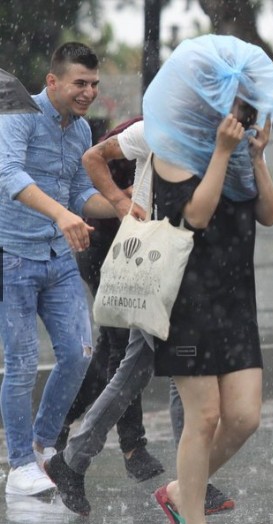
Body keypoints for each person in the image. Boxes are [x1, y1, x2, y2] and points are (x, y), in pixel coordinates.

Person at [142, 34, 273, 524]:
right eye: (237, 103)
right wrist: (221, 153)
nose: (243, 114)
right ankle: (192, 516)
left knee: (244, 418)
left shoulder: (243, 147)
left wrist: (257, 158)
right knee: (202, 419)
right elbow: (196, 217)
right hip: (188, 301)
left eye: (248, 104)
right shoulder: (172, 151)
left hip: (237, 300)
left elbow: (269, 214)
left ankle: (182, 492)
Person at [67, 115, 234, 513]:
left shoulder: (221, 141)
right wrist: (123, 204)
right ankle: (193, 483)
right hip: (156, 264)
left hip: (191, 269)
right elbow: (94, 157)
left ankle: (73, 459)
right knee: (178, 375)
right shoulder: (153, 129)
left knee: (138, 370)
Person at [0, 42, 118, 497]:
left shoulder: (82, 131)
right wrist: (61, 216)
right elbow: (9, 175)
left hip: (57, 259)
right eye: (79, 83)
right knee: (23, 363)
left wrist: (126, 206)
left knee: (79, 354)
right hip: (12, 257)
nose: (88, 92)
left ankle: (42, 445)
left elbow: (79, 195)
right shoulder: (19, 116)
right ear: (53, 82)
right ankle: (18, 466)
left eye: (94, 84)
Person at [55, 116, 166, 484]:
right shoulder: (140, 131)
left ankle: (61, 419)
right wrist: (121, 197)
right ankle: (133, 447)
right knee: (122, 346)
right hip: (106, 248)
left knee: (112, 349)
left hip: (139, 250)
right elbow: (87, 175)